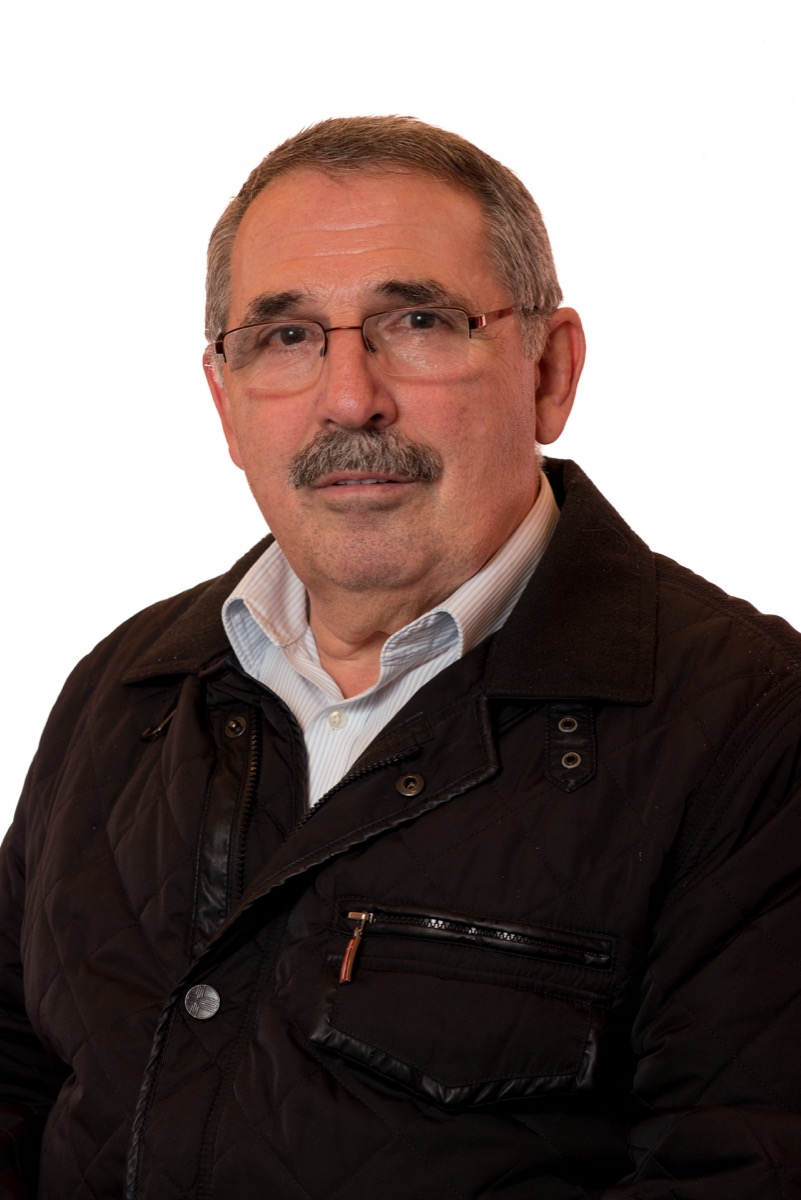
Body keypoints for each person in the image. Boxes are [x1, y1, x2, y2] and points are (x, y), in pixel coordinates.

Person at [2, 116, 800, 1200]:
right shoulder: (126, 687)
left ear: (550, 371)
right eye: (287, 336)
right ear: (225, 401)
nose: (348, 397)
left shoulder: (752, 727)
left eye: (418, 321)